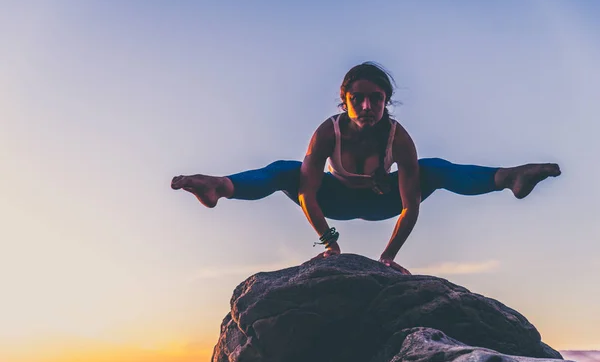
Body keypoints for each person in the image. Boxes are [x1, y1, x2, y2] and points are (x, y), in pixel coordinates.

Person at [171, 62, 561, 275]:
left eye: (376, 99)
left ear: (386, 101)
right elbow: (307, 193)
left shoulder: (399, 137)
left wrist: (387, 256)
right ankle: (220, 186)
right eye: (357, 99)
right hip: (333, 202)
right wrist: (331, 243)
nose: (367, 106)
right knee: (285, 170)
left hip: (383, 202)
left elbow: (411, 205)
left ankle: (509, 176)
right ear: (345, 101)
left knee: (434, 168)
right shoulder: (327, 132)